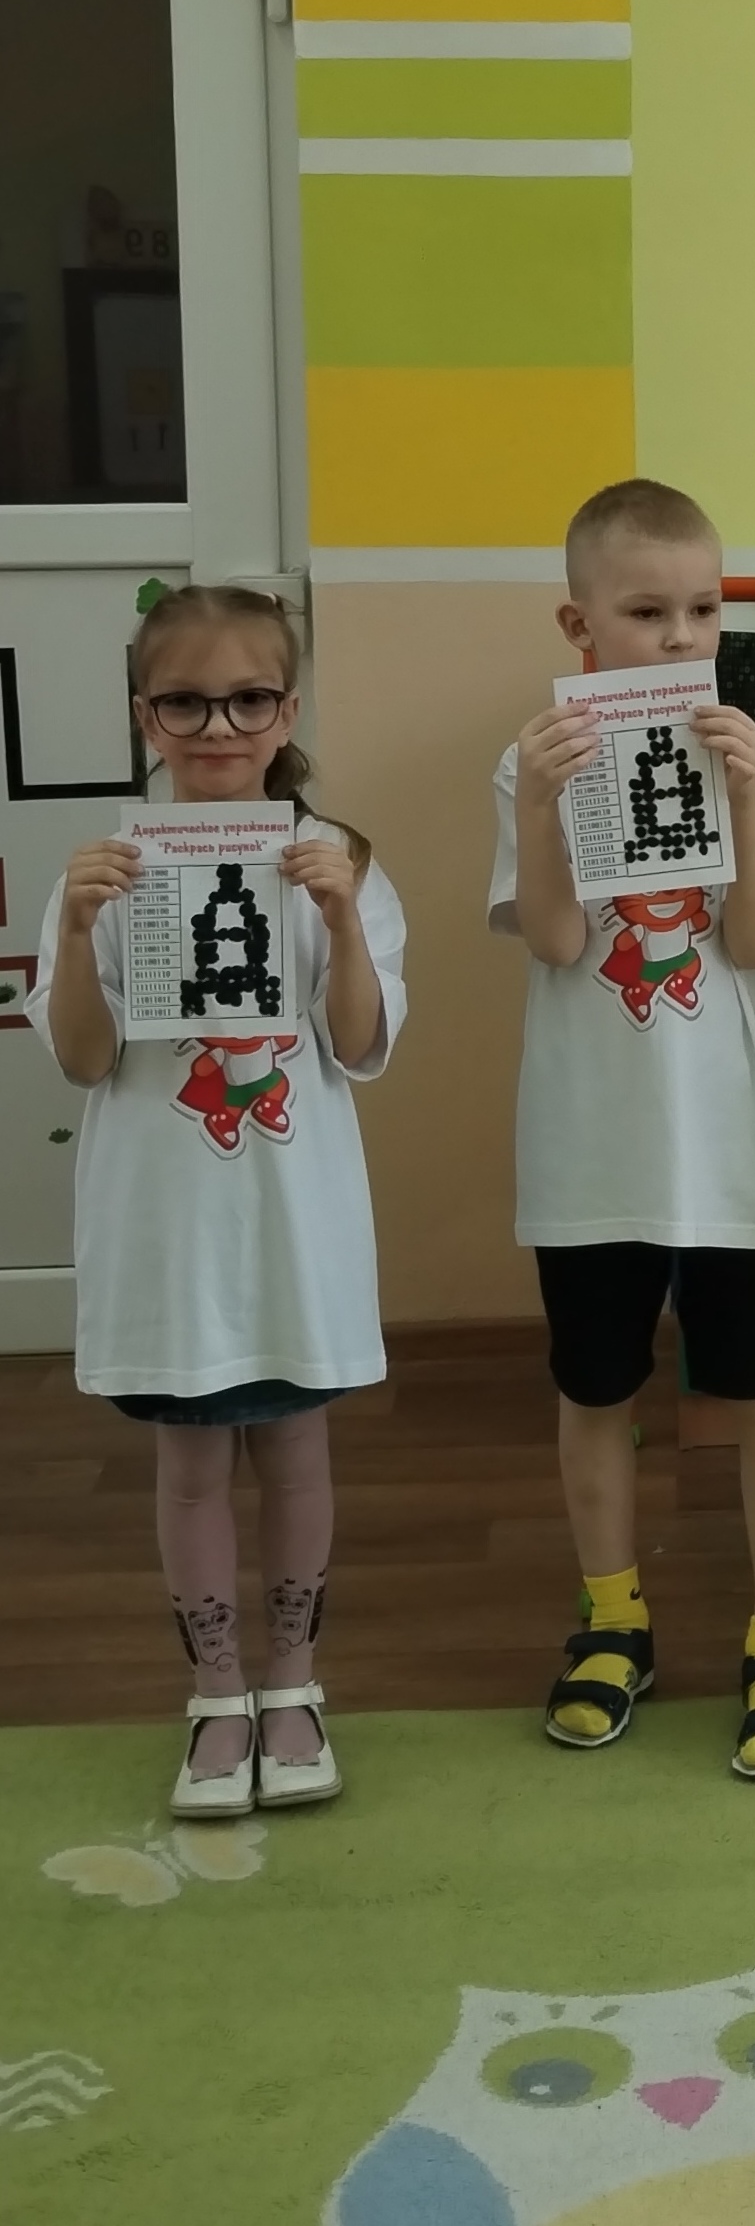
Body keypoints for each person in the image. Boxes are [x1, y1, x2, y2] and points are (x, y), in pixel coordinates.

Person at [30, 584, 406, 1819]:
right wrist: (74, 930)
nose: (218, 726)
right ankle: (216, 1696)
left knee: (296, 1455)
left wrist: (341, 912)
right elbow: (84, 1058)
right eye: (185, 702)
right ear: (146, 715)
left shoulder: (338, 861)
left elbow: (361, 1044)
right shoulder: (105, 872)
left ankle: (293, 1685)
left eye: (249, 699)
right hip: (167, 1227)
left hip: (290, 1222)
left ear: (287, 709)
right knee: (189, 1466)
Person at [491, 476, 755, 1779]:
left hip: (730, 1142)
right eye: (646, 611)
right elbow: (555, 938)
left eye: (702, 607)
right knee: (595, 1387)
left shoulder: (753, 750)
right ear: (578, 623)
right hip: (592, 1144)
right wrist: (538, 803)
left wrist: (745, 795)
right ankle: (612, 1618)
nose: (681, 635)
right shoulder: (529, 756)